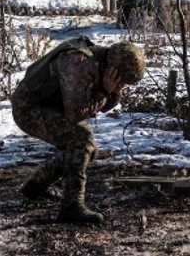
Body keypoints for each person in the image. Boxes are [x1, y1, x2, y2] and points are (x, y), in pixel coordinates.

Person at [11, 36, 145, 224]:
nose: (122, 84)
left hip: (49, 107)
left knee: (88, 149)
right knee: (83, 139)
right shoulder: (79, 63)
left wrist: (113, 92)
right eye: (121, 80)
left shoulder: (103, 63)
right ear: (113, 69)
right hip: (28, 110)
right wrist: (105, 91)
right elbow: (76, 113)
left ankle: (36, 185)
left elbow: (100, 107)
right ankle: (71, 206)